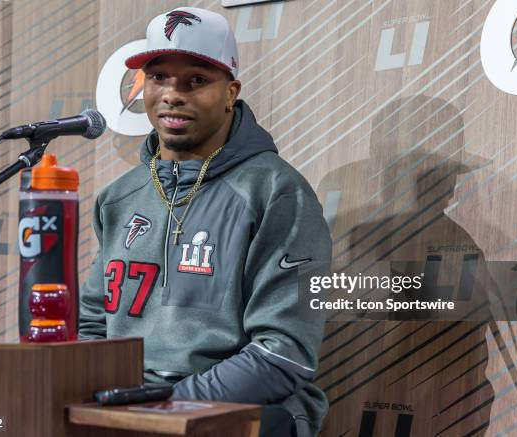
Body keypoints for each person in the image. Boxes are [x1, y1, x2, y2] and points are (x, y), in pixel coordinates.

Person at [79, 6, 332, 437]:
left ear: (231, 92)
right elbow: (89, 325)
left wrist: (166, 406)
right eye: (158, 78)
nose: (173, 94)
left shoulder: (275, 191)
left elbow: (284, 352)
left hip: (239, 409)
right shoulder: (119, 198)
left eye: (196, 80)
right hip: (129, 407)